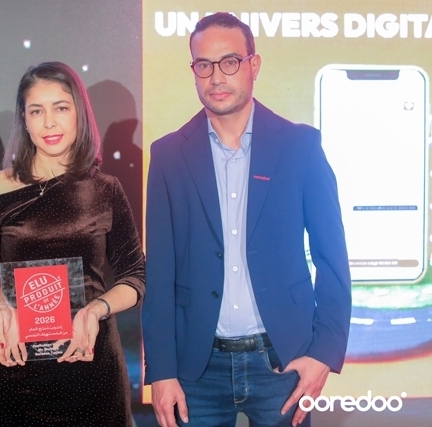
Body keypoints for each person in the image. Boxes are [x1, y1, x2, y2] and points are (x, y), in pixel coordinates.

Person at [142, 12, 351, 427]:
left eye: (230, 61)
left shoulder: (300, 145)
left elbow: (333, 258)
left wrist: (324, 352)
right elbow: (160, 272)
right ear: (193, 71)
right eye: (204, 65)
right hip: (196, 368)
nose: (216, 76)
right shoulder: (167, 155)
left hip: (284, 360)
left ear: (254, 65)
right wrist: (161, 370)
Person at [0, 61, 145, 427]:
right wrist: (2, 308)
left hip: (90, 364)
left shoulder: (105, 189)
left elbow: (134, 275)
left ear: (79, 113)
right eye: (37, 111)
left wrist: (96, 310)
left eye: (60, 108)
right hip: (15, 366)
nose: (49, 122)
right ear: (24, 119)